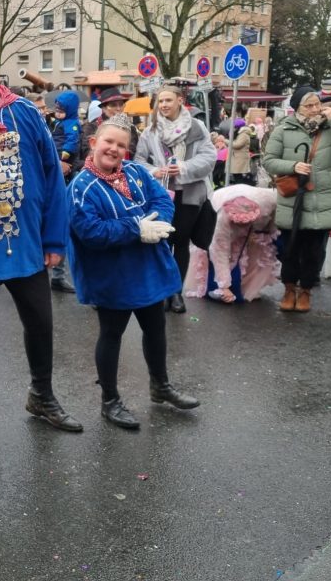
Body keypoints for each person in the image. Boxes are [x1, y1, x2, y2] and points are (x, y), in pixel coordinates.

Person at [0, 47, 83, 456]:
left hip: (27, 243)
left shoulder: (23, 112)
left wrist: (54, 239)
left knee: (40, 324)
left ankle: (41, 395)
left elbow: (51, 173)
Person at [68, 114, 199, 430]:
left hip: (147, 269)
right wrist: (136, 228)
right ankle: (109, 401)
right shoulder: (80, 187)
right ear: (94, 142)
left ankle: (160, 386)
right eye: (108, 142)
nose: (114, 149)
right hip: (112, 275)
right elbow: (90, 231)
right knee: (112, 334)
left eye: (121, 145)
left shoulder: (137, 171)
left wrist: (156, 222)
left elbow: (162, 201)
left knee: (155, 327)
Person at [263, 86, 331, 313]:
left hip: (321, 199)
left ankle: (305, 291)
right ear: (297, 108)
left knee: (313, 252)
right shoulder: (283, 129)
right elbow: (268, 161)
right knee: (290, 250)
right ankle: (289, 290)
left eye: (317, 104)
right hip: (293, 200)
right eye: (309, 105)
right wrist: (293, 166)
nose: (315, 109)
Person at [135, 84, 216, 313]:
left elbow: (209, 157)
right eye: (160, 101)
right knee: (162, 241)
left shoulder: (197, 127)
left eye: (168, 100)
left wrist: (183, 168)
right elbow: (139, 160)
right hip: (161, 194)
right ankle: (162, 291)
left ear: (180, 100)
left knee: (181, 242)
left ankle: (176, 292)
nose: (163, 105)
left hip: (190, 194)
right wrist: (155, 171)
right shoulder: (150, 131)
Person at [186, 185, 279, 304]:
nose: (243, 227)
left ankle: (245, 285)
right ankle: (221, 284)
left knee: (259, 246)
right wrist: (224, 286)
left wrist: (266, 230)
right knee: (221, 252)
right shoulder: (220, 221)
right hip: (217, 211)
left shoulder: (268, 200)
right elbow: (219, 252)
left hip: (257, 213)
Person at [48, 90, 81, 294]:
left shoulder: (72, 124)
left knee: (65, 223)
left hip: (65, 170)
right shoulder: (57, 123)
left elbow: (72, 142)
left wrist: (63, 160)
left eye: (61, 110)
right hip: (55, 170)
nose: (57, 112)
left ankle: (59, 276)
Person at [228, 119, 254, 186]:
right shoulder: (241, 134)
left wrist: (225, 141)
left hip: (240, 159)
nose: (234, 128)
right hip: (238, 158)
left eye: (234, 127)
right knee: (237, 176)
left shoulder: (243, 135)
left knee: (238, 177)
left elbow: (237, 145)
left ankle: (241, 189)